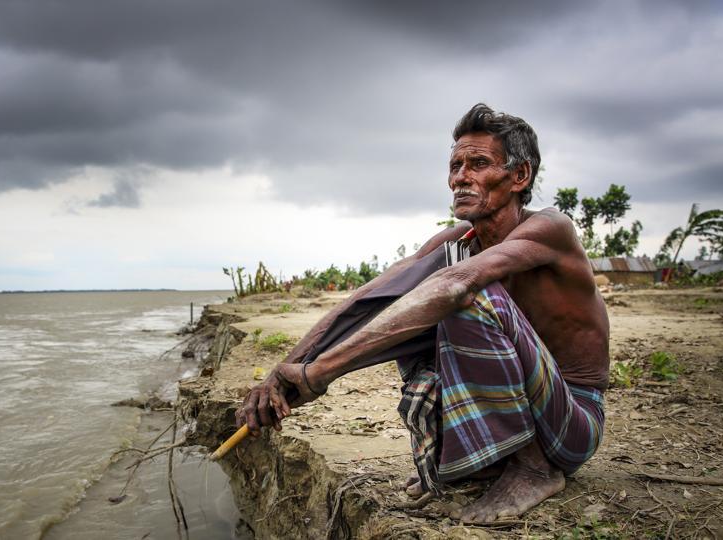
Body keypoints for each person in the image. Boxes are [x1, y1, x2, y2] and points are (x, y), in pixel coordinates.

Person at [235, 103, 609, 523]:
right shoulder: (454, 241)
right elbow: (368, 298)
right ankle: (473, 462)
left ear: (519, 176)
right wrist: (285, 370)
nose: (460, 178)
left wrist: (322, 372)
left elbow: (456, 287)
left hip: (570, 423)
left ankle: (535, 467)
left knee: (461, 297)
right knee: (406, 302)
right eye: (455, 166)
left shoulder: (550, 228)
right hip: (519, 411)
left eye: (478, 164)